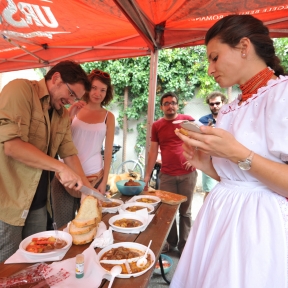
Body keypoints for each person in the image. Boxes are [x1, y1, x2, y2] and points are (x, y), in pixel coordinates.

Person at [171, 14, 288, 288]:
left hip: (259, 230)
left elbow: (248, 165)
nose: (210, 69)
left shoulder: (283, 95)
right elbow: (237, 178)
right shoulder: (230, 108)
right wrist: (204, 163)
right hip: (219, 217)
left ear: (244, 47)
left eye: (214, 57)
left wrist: (238, 153)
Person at [0, 60, 97, 262]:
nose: (71, 102)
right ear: (56, 79)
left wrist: (89, 193)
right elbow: (12, 146)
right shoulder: (21, 90)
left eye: (75, 98)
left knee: (35, 265)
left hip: (38, 204)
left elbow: (69, 153)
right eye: (71, 94)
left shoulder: (61, 116)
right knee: (8, 268)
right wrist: (60, 167)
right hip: (8, 203)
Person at [51, 69, 115, 227]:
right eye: (94, 88)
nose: (97, 93)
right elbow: (58, 136)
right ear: (87, 87)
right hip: (65, 176)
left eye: (103, 90)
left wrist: (104, 180)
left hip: (94, 178)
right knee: (63, 224)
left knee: (90, 223)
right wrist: (70, 112)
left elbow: (108, 151)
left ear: (107, 93)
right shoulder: (74, 108)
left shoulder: (109, 116)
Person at [144, 92, 198, 255]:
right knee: (168, 211)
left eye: (173, 102)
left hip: (188, 174)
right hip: (166, 175)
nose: (170, 106)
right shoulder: (157, 125)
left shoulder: (187, 120)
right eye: (166, 103)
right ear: (161, 107)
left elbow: (200, 139)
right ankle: (171, 241)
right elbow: (153, 151)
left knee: (185, 212)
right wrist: (146, 176)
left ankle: (184, 245)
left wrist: (195, 159)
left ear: (177, 105)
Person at [199, 91, 227, 201]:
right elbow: (197, 140)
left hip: (227, 161)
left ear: (223, 103)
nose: (214, 106)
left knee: (226, 193)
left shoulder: (230, 119)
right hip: (209, 161)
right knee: (209, 193)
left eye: (217, 103)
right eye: (211, 104)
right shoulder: (203, 121)